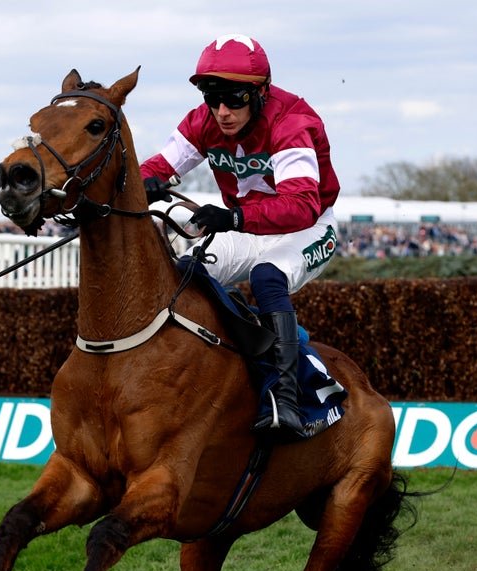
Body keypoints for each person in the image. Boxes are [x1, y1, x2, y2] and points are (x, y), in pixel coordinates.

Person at [140, 34, 341, 439]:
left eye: (234, 100)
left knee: (268, 277)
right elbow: (158, 166)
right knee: (185, 271)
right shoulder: (203, 121)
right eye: (214, 100)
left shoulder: (291, 122)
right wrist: (146, 183)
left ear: (260, 93)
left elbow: (301, 205)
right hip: (247, 225)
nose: (223, 112)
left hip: (307, 227)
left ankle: (288, 399)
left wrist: (233, 216)